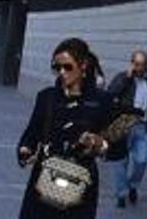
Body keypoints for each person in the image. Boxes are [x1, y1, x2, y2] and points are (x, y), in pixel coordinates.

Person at [16, 38, 125, 219]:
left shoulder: (102, 101)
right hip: (42, 183)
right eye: (57, 68)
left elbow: (119, 148)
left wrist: (101, 144)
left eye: (67, 67)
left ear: (83, 65)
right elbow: (31, 134)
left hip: (80, 186)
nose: (62, 72)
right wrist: (25, 151)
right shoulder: (46, 97)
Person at [105, 49, 147, 209]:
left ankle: (133, 185)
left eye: (144, 64)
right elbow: (110, 94)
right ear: (132, 63)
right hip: (123, 127)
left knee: (142, 160)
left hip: (142, 126)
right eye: (137, 64)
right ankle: (121, 194)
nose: (141, 68)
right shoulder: (122, 77)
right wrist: (127, 77)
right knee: (121, 162)